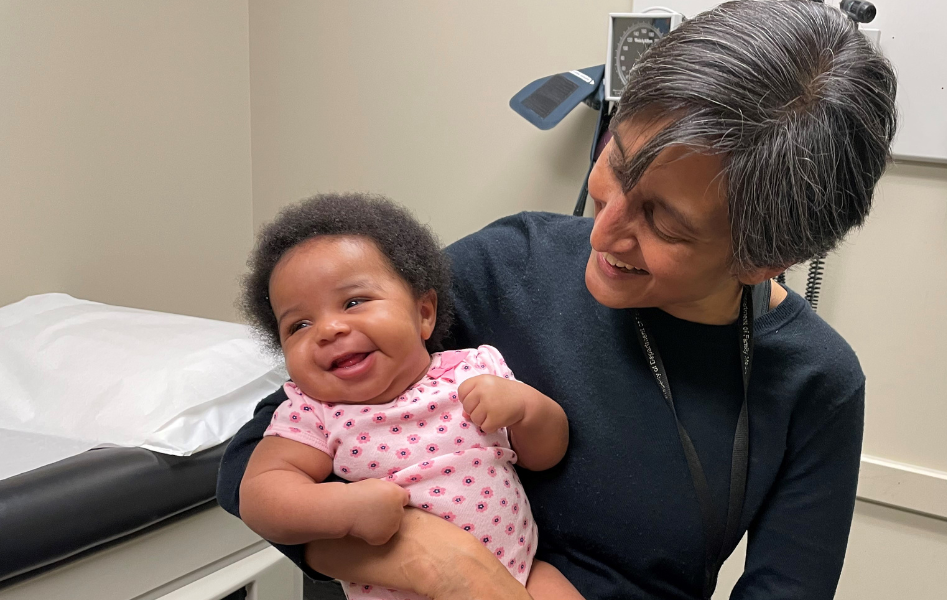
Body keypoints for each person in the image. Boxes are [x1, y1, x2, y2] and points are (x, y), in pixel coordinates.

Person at [216, 1, 898, 598]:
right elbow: (252, 461)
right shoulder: (505, 266)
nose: (604, 227)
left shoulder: (816, 383)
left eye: (663, 221)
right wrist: (431, 563)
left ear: (761, 259)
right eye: (618, 159)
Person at [233, 195, 581, 600]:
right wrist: (345, 508)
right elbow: (260, 495)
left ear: (424, 313)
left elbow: (547, 454)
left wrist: (525, 409)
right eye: (299, 325)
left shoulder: (472, 369)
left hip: (523, 569)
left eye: (353, 302)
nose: (327, 330)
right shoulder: (314, 413)